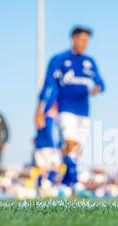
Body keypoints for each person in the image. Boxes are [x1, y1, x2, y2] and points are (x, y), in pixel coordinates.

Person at [35, 26, 105, 194]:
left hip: (84, 110)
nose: (84, 44)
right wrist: (39, 110)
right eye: (82, 39)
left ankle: (64, 183)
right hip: (65, 108)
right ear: (73, 39)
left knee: (76, 148)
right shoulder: (59, 60)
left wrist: (96, 89)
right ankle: (75, 181)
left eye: (87, 41)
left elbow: (101, 84)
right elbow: (47, 86)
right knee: (70, 141)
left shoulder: (90, 62)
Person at [31, 104, 62, 198]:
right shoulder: (49, 118)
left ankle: (40, 188)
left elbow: (39, 133)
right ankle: (46, 184)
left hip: (39, 146)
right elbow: (48, 133)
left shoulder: (39, 118)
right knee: (56, 167)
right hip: (48, 147)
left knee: (42, 170)